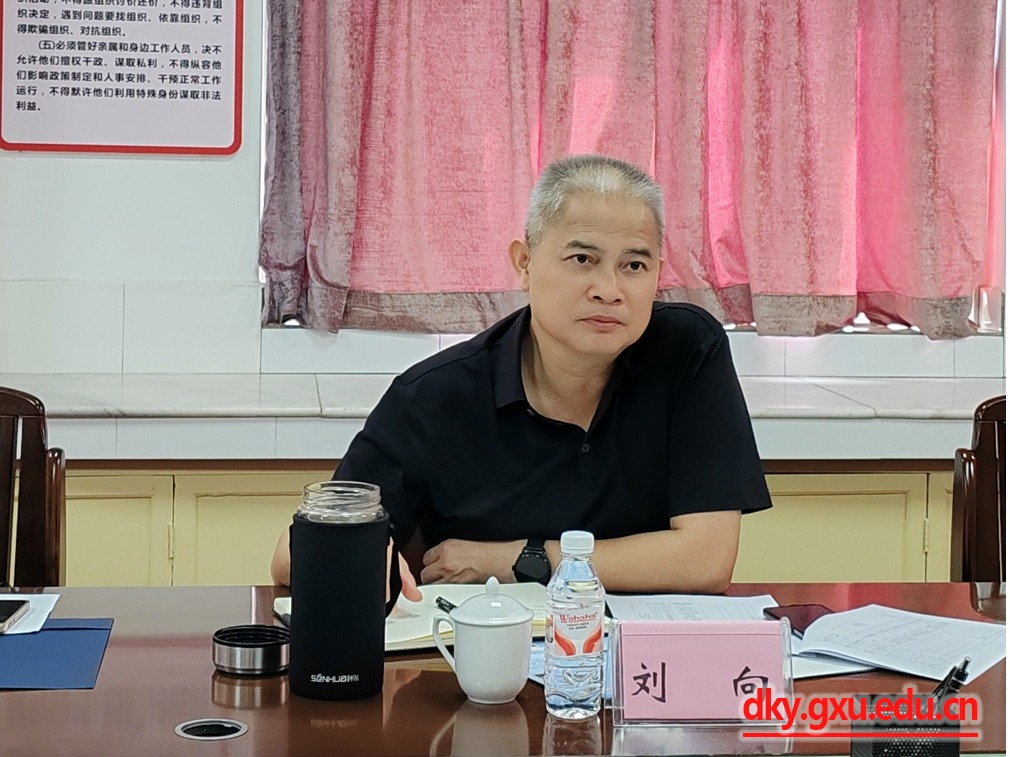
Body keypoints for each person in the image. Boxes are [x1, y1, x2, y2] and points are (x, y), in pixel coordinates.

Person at [271, 154, 772, 598]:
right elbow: (292, 557)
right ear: (525, 262)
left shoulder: (687, 350)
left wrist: (521, 558)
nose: (609, 289)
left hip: (642, 660)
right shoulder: (436, 394)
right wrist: (355, 560)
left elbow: (707, 560)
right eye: (583, 259)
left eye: (635, 265)